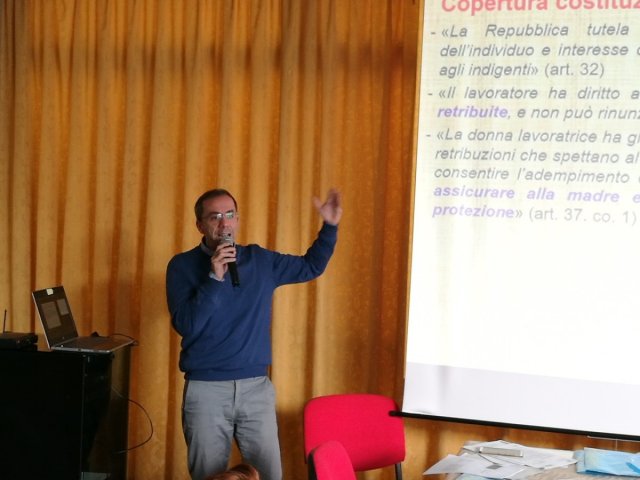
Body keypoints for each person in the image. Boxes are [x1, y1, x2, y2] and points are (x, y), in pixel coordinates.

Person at [166, 188, 342, 480]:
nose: (224, 223)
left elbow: (310, 266)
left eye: (229, 215)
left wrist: (330, 227)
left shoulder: (260, 260)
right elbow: (186, 325)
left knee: (270, 475)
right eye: (215, 217)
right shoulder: (181, 266)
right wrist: (214, 278)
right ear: (200, 225)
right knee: (210, 477)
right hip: (206, 391)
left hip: (256, 389)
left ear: (237, 219)